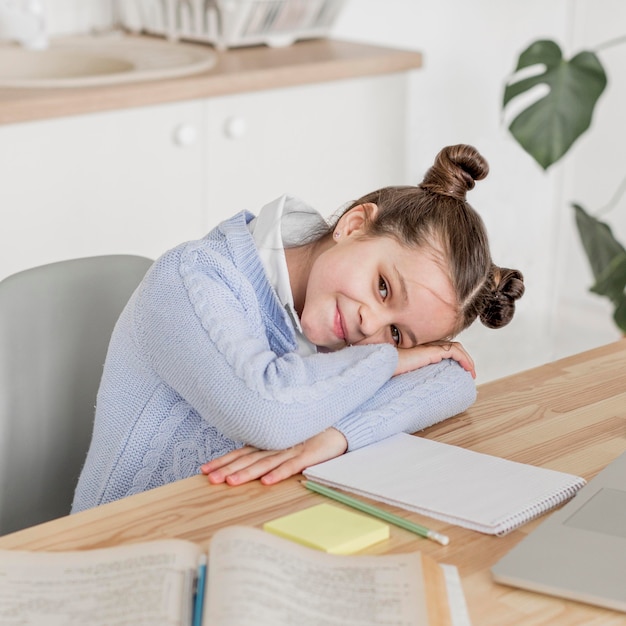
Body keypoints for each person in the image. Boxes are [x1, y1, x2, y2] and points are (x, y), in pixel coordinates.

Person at [71, 144, 524, 513]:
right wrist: (390, 358)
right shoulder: (195, 277)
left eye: (398, 334)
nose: (371, 326)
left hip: (232, 535)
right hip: (115, 556)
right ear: (354, 225)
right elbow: (269, 413)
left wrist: (335, 436)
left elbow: (451, 382)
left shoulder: (342, 318)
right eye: (384, 288)